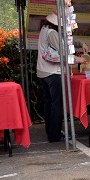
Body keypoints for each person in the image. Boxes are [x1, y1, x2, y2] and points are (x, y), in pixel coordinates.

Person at [36, 12, 66, 143]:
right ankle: (55, 135)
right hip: (53, 72)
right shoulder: (52, 33)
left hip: (42, 71)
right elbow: (63, 50)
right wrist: (78, 59)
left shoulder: (44, 29)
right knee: (56, 104)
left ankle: (50, 131)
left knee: (49, 103)